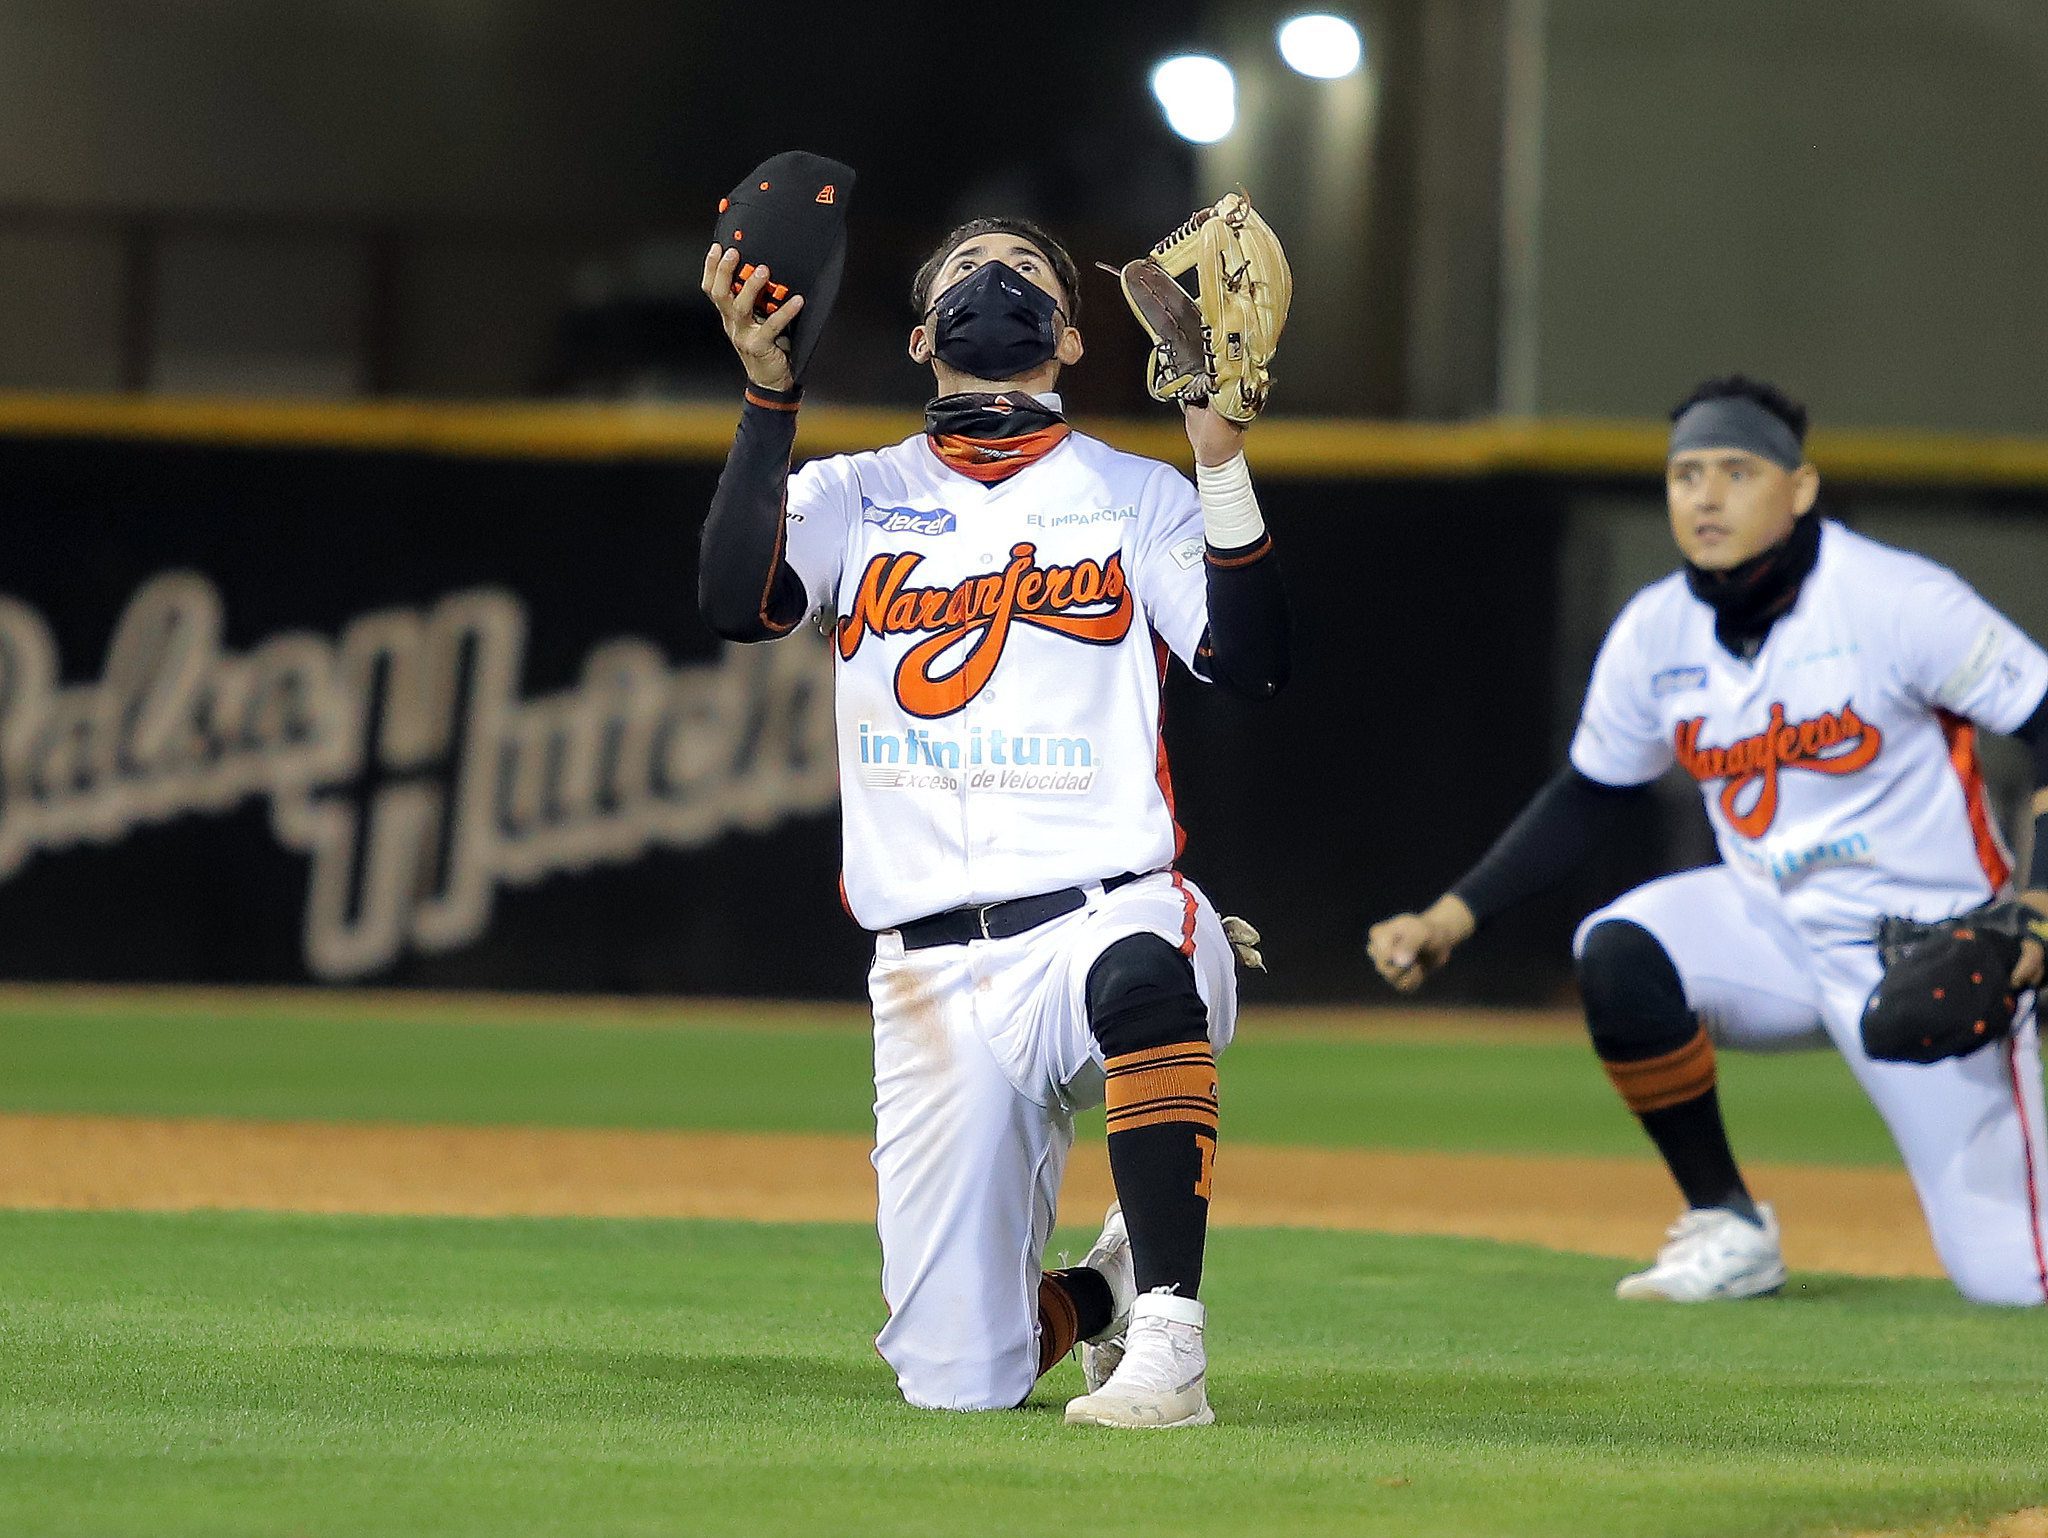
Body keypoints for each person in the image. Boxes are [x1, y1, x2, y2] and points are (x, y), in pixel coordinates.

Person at [698, 215, 1288, 1422]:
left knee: (1142, 969)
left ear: (1070, 338)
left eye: (1026, 274)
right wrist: (767, 396)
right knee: (963, 1379)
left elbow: (1255, 659)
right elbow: (732, 599)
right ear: (923, 338)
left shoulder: (1136, 494)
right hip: (924, 972)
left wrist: (1219, 458)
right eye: (963, 273)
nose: (994, 280)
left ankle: (1173, 1340)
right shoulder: (851, 494)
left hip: (1099, 913)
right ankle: (1106, 1293)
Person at [1367, 375, 2048, 1305]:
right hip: (1773, 931)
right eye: (1687, 474)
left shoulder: (1893, 598)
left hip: (1932, 955)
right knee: (1620, 950)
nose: (1707, 495)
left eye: (1737, 470)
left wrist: (2039, 900)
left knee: (2016, 1279)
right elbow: (1590, 793)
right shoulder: (1659, 630)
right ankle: (1729, 1225)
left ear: (1800, 488)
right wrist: (1453, 915)